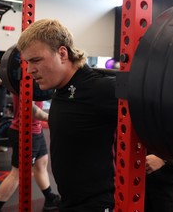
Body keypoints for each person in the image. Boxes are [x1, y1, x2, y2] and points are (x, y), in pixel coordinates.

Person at [17, 19, 118, 211]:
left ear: (62, 53)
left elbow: (163, 116)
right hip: (70, 199)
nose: (29, 70)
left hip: (98, 204)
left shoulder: (99, 88)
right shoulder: (60, 87)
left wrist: (162, 158)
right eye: (27, 62)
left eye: (36, 60)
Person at [0, 94, 60, 212]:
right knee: (16, 174)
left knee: (41, 163)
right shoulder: (28, 78)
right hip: (26, 131)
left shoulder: (27, 77)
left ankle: (50, 199)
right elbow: (31, 109)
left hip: (35, 129)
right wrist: (54, 117)